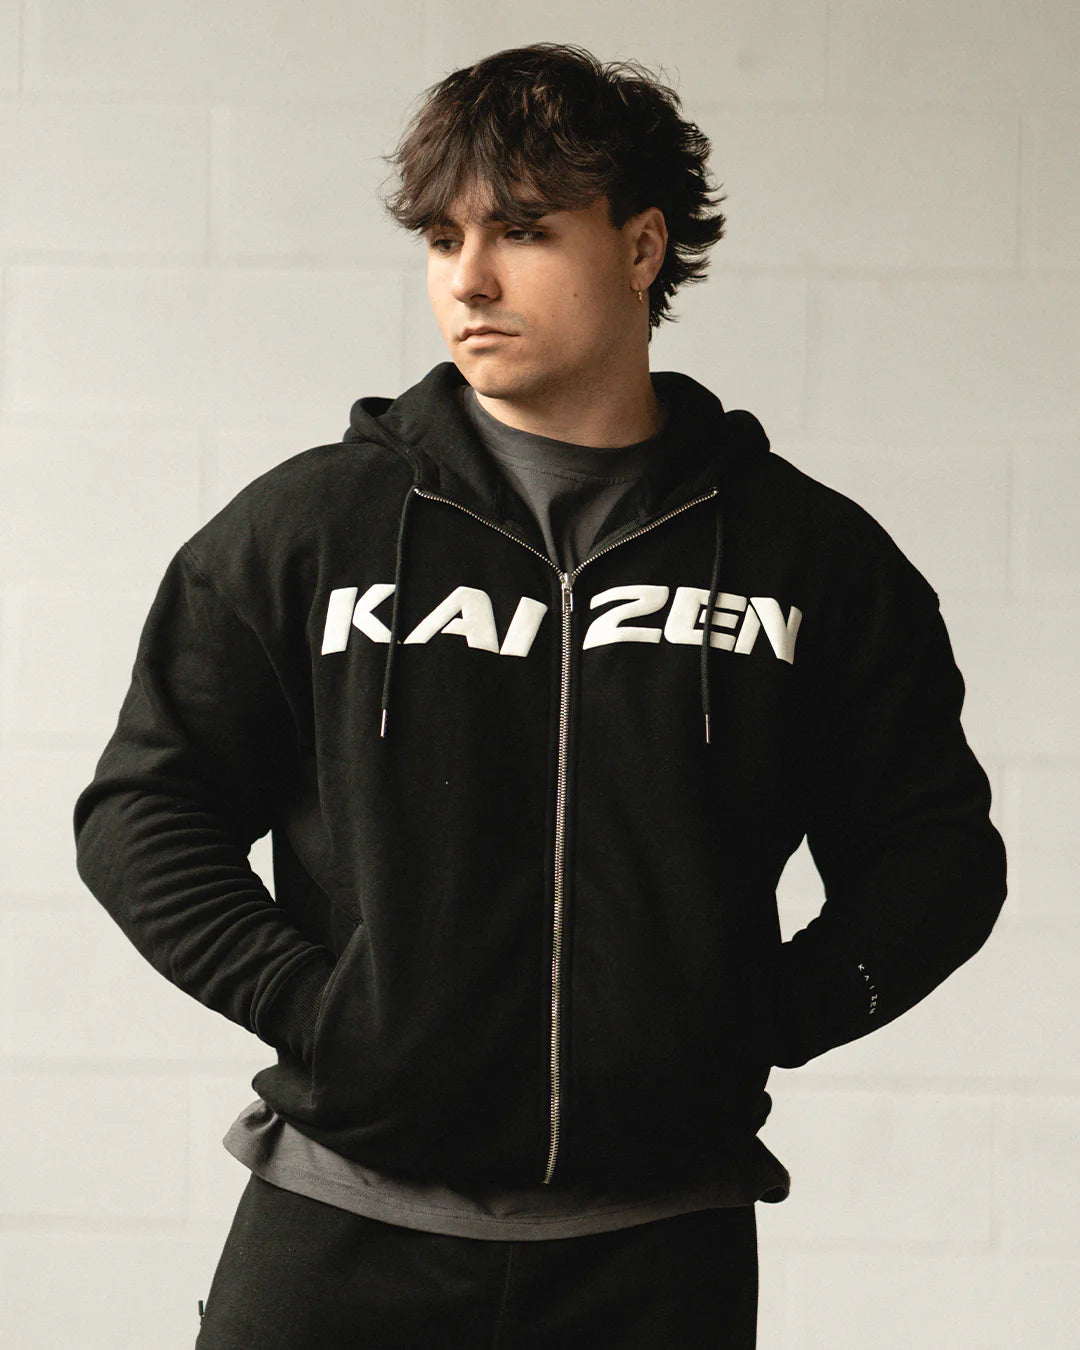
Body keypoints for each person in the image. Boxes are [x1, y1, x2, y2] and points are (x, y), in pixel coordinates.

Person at [73, 42, 1007, 1349]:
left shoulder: (808, 560)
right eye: (442, 237)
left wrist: (762, 1018)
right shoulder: (311, 532)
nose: (468, 278)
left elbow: (935, 854)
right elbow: (144, 809)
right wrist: (312, 1007)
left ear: (641, 247)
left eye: (520, 230)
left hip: (655, 1260)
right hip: (338, 1236)